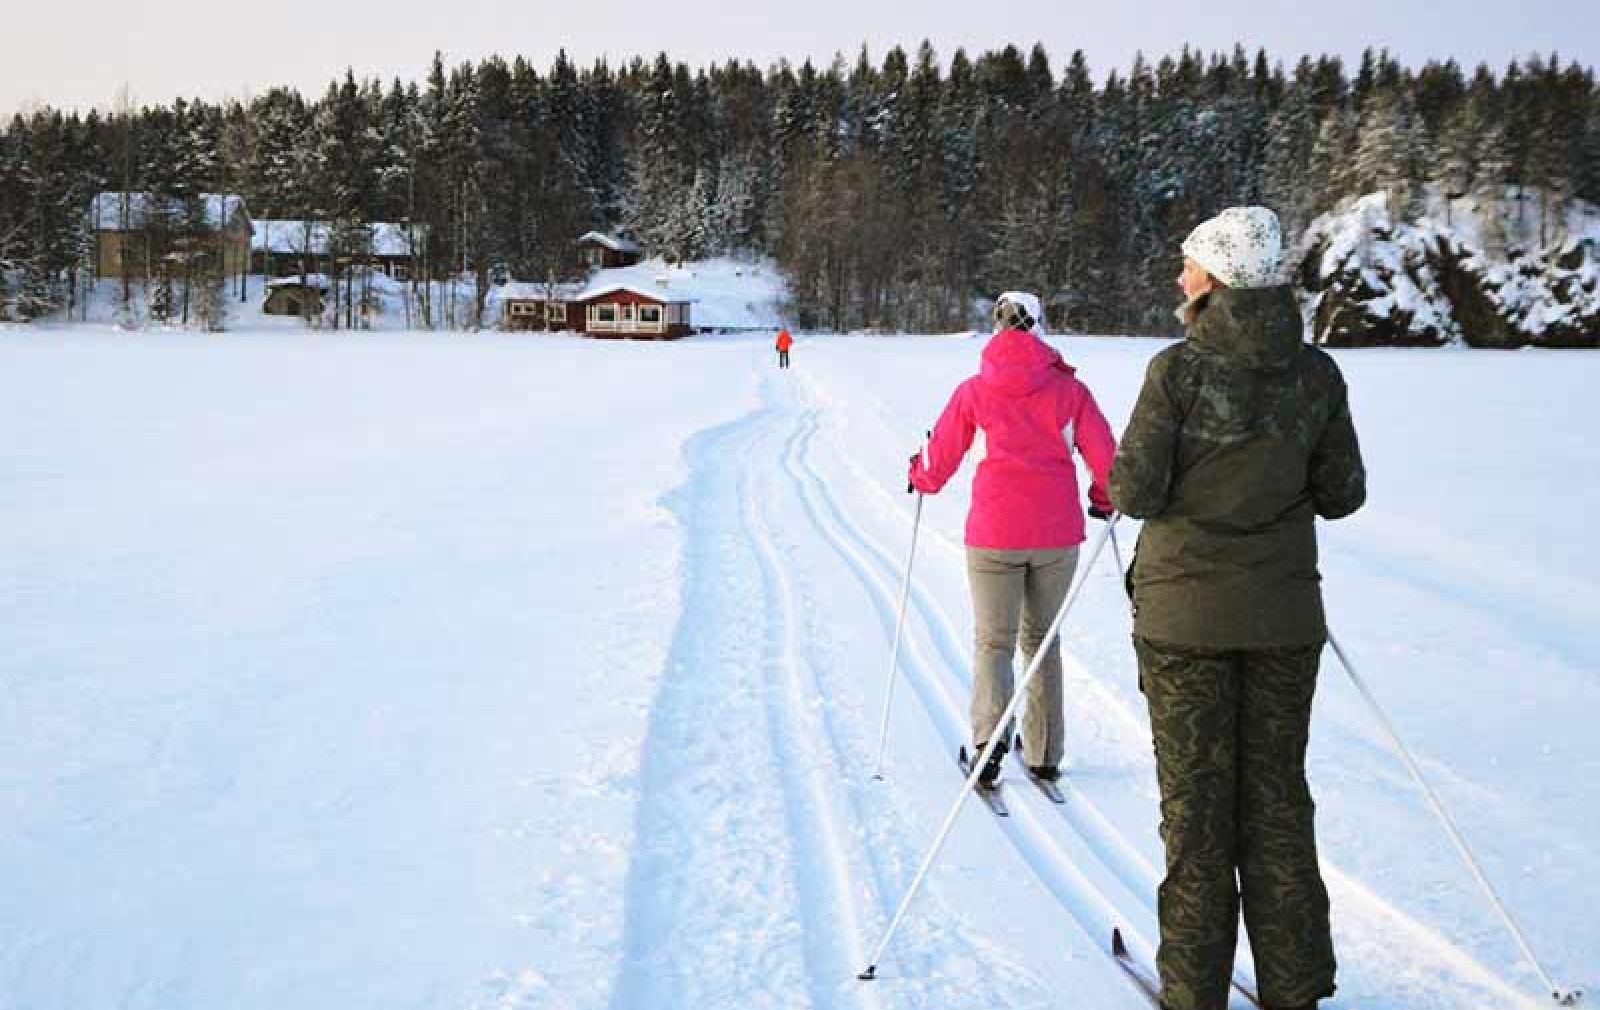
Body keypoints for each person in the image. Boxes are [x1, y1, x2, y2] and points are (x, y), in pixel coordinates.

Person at [1110, 207, 1367, 1010]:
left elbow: (1133, 490)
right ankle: (1296, 987)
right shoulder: (1316, 375)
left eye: (1189, 263)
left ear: (1218, 276)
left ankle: (1194, 991)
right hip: (1283, 624)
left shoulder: (1177, 373)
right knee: (1277, 802)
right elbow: (1342, 492)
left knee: (1197, 813)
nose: (1179, 275)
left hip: (1184, 627)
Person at [908, 291, 1116, 787]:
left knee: (993, 640)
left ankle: (988, 746)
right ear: (1040, 325)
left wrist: (920, 475)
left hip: (994, 535)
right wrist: (1103, 497)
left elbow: (939, 459)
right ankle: (1044, 752)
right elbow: (1108, 459)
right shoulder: (1071, 391)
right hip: (1056, 535)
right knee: (1042, 640)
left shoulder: (974, 390)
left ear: (997, 326)